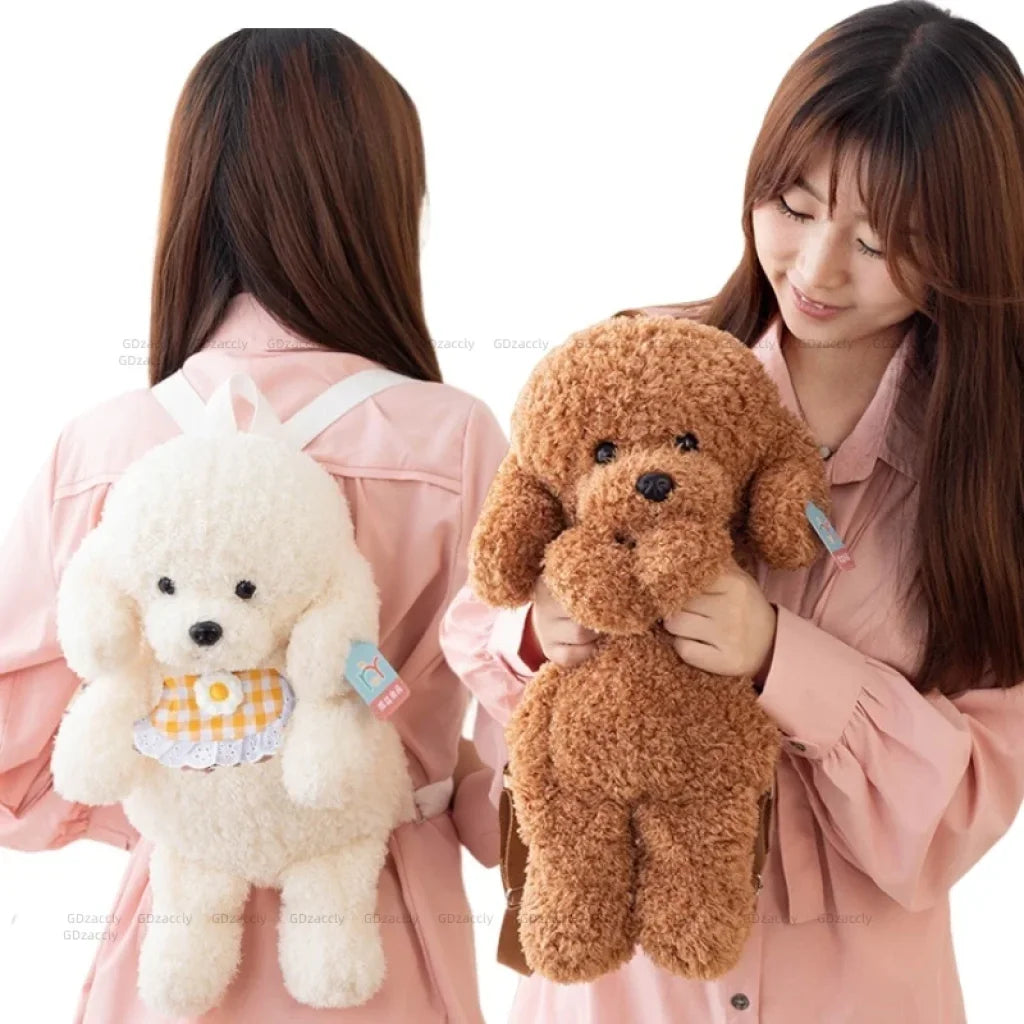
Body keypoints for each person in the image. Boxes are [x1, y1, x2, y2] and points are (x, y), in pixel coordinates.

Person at [440, 2, 1024, 1021]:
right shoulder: (635, 363)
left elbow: (960, 815)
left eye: (880, 241)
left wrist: (778, 659)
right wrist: (539, 629)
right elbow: (478, 626)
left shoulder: (990, 477)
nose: (817, 268)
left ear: (970, 247)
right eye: (793, 205)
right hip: (619, 992)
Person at [0, 28, 508, 1024]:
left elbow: (14, 752)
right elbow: (531, 758)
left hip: (170, 947)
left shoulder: (103, 447)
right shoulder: (453, 440)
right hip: (384, 939)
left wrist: (178, 782)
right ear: (382, 207)